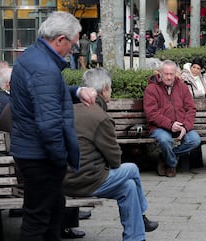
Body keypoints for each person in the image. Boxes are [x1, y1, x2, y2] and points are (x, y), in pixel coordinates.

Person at [9, 11, 97, 241]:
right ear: (60, 40)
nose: (74, 50)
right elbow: (49, 125)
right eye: (73, 44)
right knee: (38, 221)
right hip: (40, 157)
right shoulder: (45, 69)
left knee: (53, 213)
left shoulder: (32, 58)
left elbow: (45, 94)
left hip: (31, 151)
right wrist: (60, 159)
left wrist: (77, 91)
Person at [64, 68, 158, 241]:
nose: (112, 91)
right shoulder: (99, 116)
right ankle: (143, 214)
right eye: (111, 87)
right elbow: (115, 160)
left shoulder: (71, 109)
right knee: (131, 169)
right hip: (86, 181)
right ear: (104, 88)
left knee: (128, 187)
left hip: (66, 177)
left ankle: (136, 238)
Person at [143, 60, 201, 177]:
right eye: (166, 74)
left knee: (195, 140)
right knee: (165, 140)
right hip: (159, 127)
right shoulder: (151, 89)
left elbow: (191, 109)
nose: (169, 77)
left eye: (172, 74)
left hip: (180, 126)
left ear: (176, 74)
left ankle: (165, 158)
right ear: (159, 73)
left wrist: (185, 126)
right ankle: (171, 165)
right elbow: (151, 114)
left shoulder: (182, 87)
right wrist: (170, 125)